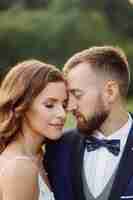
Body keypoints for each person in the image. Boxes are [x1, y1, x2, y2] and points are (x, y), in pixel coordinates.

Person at [45, 46, 133, 200]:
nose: (70, 106)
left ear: (110, 92)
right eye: (68, 97)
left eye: (77, 94)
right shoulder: (57, 147)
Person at [0, 59, 68, 200]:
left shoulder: (41, 157)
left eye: (64, 104)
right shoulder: (20, 167)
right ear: (22, 106)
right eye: (49, 105)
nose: (62, 114)